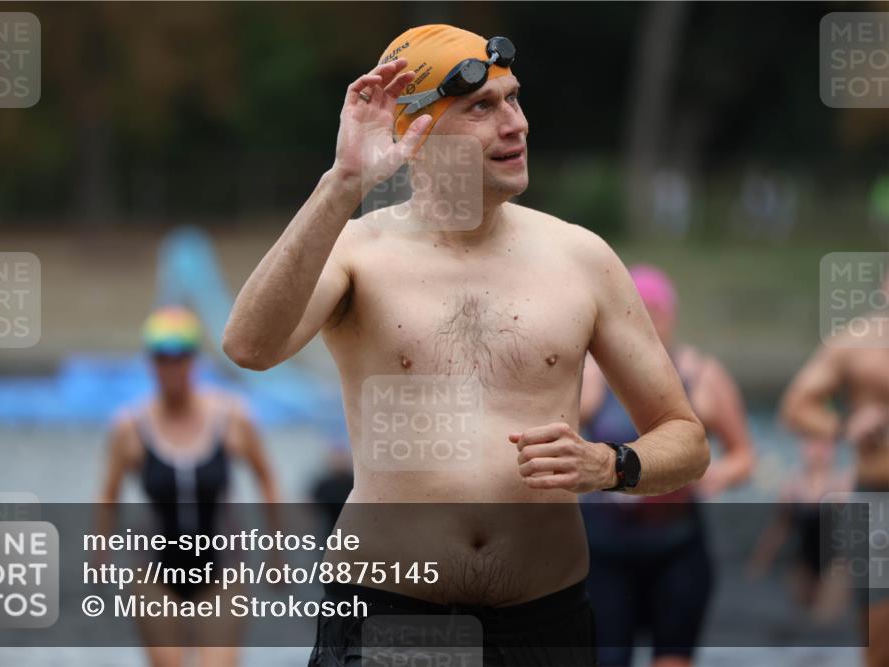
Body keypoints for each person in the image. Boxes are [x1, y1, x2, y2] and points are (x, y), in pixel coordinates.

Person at [223, 24, 710, 666]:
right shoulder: (359, 254)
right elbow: (249, 347)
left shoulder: (582, 258)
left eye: (514, 99)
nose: (516, 124)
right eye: (482, 107)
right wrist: (343, 182)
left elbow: (687, 438)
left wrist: (611, 465)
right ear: (414, 129)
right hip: (389, 619)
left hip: (547, 624)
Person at [578, 265, 755, 667]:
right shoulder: (593, 376)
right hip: (605, 550)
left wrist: (705, 475)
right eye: (638, 313)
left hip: (677, 547)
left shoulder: (701, 375)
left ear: (671, 316)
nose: (649, 324)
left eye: (656, 313)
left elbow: (744, 454)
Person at [99, 306, 280, 667]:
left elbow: (267, 478)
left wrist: (276, 553)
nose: (172, 367)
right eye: (162, 358)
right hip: (155, 570)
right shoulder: (129, 427)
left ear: (193, 360)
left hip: (222, 568)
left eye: (180, 357)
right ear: (150, 363)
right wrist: (100, 557)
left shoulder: (232, 418)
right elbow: (108, 495)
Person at [780, 269, 889, 667]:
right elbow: (795, 407)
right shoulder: (855, 346)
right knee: (881, 642)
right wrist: (845, 425)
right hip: (878, 502)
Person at [747, 437, 853, 623]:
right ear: (801, 447)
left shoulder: (842, 484)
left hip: (836, 564)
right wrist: (760, 563)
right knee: (799, 620)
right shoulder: (791, 487)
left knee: (824, 621)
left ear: (835, 450)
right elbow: (779, 528)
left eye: (825, 445)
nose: (818, 451)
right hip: (802, 561)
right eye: (812, 444)